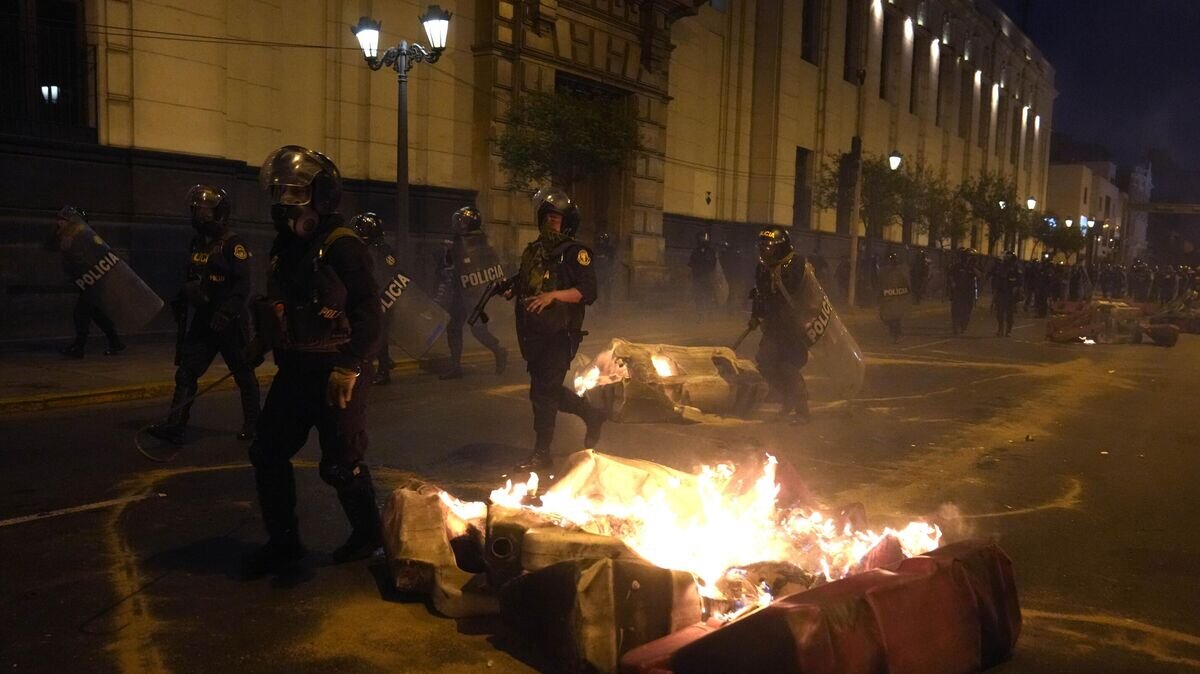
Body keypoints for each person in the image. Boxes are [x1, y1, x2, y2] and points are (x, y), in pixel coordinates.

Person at [243, 145, 384, 575]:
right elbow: (282, 303)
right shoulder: (284, 248)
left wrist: (351, 364)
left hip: (336, 370)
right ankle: (284, 542)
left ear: (321, 196)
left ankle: (369, 535)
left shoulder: (343, 247)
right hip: (295, 370)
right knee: (267, 452)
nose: (285, 202)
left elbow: (369, 312)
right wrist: (261, 342)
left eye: (294, 192)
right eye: (279, 192)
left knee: (341, 465)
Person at [146, 186, 259, 445]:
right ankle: (175, 425)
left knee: (243, 373)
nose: (198, 214)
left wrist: (227, 312)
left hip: (229, 321)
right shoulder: (197, 243)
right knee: (187, 372)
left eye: (204, 210)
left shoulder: (233, 244)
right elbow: (193, 277)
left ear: (220, 213)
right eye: (196, 209)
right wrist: (183, 298)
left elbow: (243, 286)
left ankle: (254, 425)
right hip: (204, 318)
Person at [506, 187, 605, 472]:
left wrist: (554, 296)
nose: (551, 222)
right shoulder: (535, 252)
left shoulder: (576, 253)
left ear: (568, 222)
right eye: (548, 217)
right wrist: (512, 288)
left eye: (557, 218)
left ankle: (542, 452)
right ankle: (591, 414)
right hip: (534, 334)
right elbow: (527, 280)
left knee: (542, 393)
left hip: (560, 333)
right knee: (545, 389)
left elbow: (588, 291)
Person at [434, 206, 507, 380]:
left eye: (462, 221)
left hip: (474, 295)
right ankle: (456, 366)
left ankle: (499, 350)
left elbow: (492, 267)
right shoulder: (462, 242)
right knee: (453, 328)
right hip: (460, 294)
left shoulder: (478, 243)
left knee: (478, 331)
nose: (458, 224)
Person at [46, 206, 126, 358]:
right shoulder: (69, 237)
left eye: (62, 220)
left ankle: (79, 348)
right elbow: (50, 247)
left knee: (81, 314)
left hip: (94, 281)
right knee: (96, 313)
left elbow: (94, 257)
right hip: (88, 281)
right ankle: (115, 342)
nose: (59, 222)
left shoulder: (83, 237)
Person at [750, 227, 810, 423]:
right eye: (762, 247)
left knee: (787, 366)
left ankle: (802, 410)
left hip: (794, 327)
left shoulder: (796, 264)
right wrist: (755, 315)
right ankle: (787, 399)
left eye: (769, 247)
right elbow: (760, 294)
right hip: (774, 326)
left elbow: (796, 291)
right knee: (765, 362)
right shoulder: (762, 268)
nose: (764, 251)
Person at [349, 212, 396, 385]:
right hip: (382, 297)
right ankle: (384, 363)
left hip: (380, 298)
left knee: (378, 335)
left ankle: (383, 370)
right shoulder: (382, 248)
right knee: (378, 334)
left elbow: (379, 276)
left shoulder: (375, 250)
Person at [877, 251, 910, 342]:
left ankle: (895, 335)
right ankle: (895, 334)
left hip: (894, 300)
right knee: (891, 318)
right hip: (890, 300)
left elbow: (905, 286)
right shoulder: (885, 273)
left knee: (895, 318)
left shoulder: (897, 273)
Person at [947, 248, 979, 335]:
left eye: (971, 257)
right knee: (956, 309)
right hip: (958, 290)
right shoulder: (957, 266)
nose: (969, 258)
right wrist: (953, 282)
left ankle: (963, 325)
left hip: (969, 291)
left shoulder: (974, 267)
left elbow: (979, 276)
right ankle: (955, 326)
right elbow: (950, 274)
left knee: (967, 310)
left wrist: (972, 267)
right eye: (968, 256)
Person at [991, 251, 1022, 337]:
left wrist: (1016, 289)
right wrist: (995, 293)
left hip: (1011, 293)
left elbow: (1020, 281)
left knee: (1009, 314)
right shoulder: (1001, 267)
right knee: (1000, 313)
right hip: (1001, 292)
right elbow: (997, 281)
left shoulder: (1016, 268)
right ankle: (1000, 329)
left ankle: (1008, 331)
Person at [688, 231, 718, 318]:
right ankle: (700, 314)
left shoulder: (710, 252)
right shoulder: (696, 251)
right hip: (697, 277)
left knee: (708, 296)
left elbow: (713, 264)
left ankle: (708, 313)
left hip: (707, 277)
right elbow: (691, 264)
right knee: (698, 296)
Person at [594, 231, 618, 313]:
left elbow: (613, 261)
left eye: (603, 240)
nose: (602, 242)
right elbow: (594, 261)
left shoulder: (611, 250)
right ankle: (600, 306)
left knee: (607, 291)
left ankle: (606, 307)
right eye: (601, 240)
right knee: (597, 290)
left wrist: (613, 272)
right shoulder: (596, 249)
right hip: (599, 273)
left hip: (607, 273)